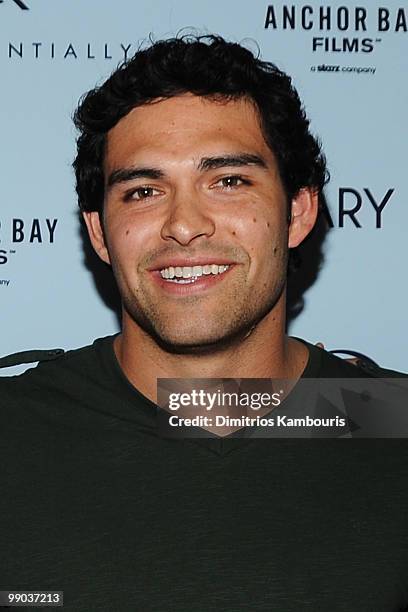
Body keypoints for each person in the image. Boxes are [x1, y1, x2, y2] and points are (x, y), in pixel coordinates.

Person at [1, 35, 407, 611]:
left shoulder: (390, 421)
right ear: (99, 233)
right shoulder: (13, 429)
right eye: (143, 191)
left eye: (229, 181)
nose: (184, 225)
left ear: (297, 211)